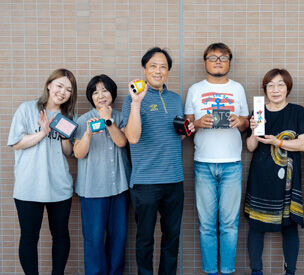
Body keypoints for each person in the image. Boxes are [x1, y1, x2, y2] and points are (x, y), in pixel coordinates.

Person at [122, 47, 193, 275]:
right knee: (145, 238)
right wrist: (136, 103)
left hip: (174, 179)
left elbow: (176, 134)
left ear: (168, 71)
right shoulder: (131, 100)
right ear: (144, 69)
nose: (158, 70)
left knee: (172, 238)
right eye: (153, 65)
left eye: (163, 66)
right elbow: (132, 137)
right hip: (146, 182)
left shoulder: (175, 99)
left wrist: (187, 129)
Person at [184, 42, 249, 275]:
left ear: (229, 61)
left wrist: (239, 121)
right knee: (206, 226)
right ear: (205, 62)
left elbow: (246, 122)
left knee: (230, 225)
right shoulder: (195, 89)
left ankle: (228, 269)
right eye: (213, 57)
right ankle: (211, 271)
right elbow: (186, 128)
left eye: (223, 57)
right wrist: (198, 123)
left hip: (232, 163)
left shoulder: (238, 88)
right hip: (203, 163)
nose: (218, 61)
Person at [7, 68, 77, 275]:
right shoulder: (27, 109)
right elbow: (17, 143)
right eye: (59, 86)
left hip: (59, 186)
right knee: (29, 236)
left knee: (61, 235)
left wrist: (64, 135)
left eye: (68, 89)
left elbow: (69, 152)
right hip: (29, 186)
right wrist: (43, 133)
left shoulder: (69, 115)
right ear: (49, 85)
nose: (63, 92)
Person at [244, 69, 304, 275]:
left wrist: (277, 142)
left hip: (288, 179)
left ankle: (290, 271)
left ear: (287, 88)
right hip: (261, 175)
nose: (275, 89)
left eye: (280, 84)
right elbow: (250, 147)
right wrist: (254, 131)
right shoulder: (258, 112)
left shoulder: (298, 112)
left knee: (289, 225)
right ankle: (257, 271)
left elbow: (303, 145)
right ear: (265, 89)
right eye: (270, 85)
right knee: (256, 224)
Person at [73, 74, 130, 275]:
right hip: (92, 191)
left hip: (119, 189)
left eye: (104, 90)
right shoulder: (83, 120)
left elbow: (122, 142)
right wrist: (88, 134)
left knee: (118, 238)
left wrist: (108, 121)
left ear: (112, 93)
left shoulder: (121, 116)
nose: (100, 95)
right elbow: (78, 153)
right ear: (91, 97)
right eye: (95, 92)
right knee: (94, 240)